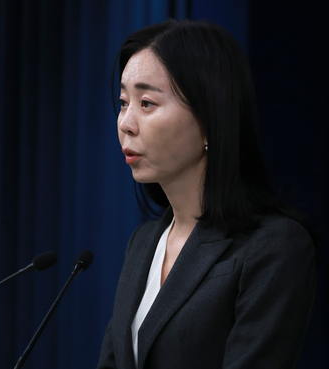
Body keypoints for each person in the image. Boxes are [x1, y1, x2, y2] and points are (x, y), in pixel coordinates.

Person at [97, 19, 316, 369]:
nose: (126, 122)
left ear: (210, 117)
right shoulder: (142, 244)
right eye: (124, 102)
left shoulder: (273, 247)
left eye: (147, 103)